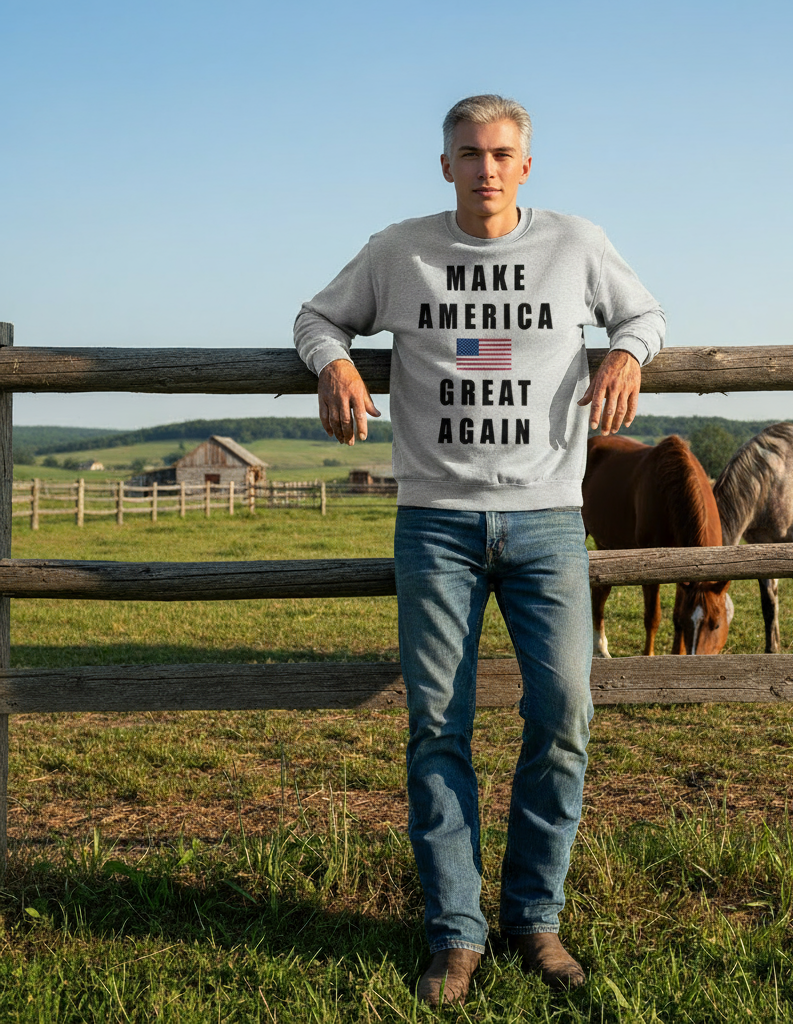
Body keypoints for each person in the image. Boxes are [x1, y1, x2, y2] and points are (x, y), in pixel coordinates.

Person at [294, 95, 664, 1006]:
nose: (486, 168)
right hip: (437, 523)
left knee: (565, 715)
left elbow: (646, 315)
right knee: (437, 730)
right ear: (446, 165)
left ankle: (535, 919)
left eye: (502, 154)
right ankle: (456, 934)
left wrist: (627, 355)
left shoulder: (576, 244)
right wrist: (336, 363)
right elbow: (315, 317)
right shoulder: (398, 250)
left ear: (526, 166)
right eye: (470, 154)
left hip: (546, 522)